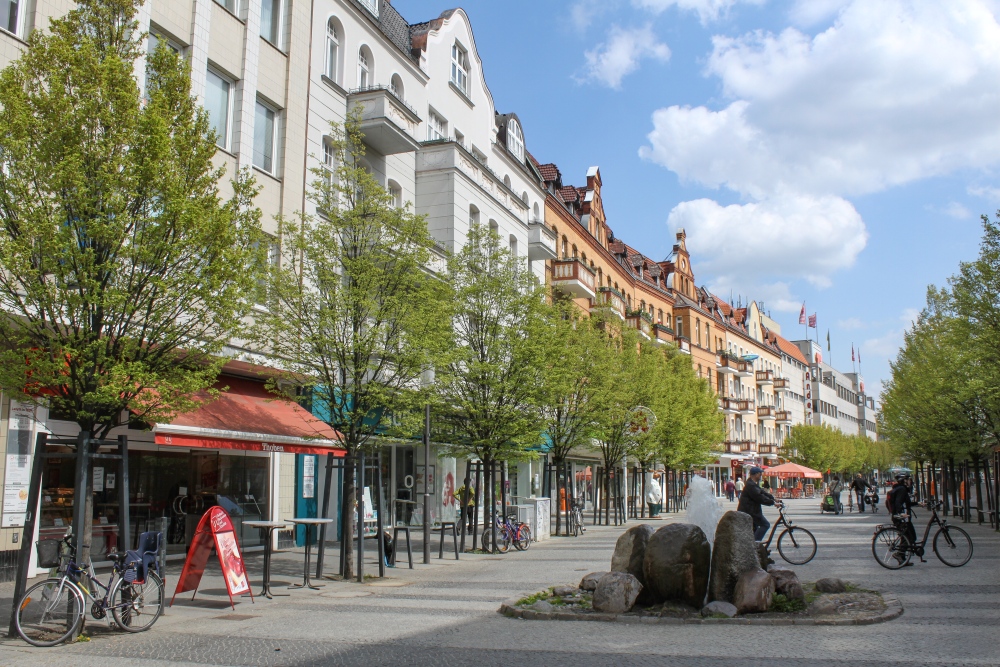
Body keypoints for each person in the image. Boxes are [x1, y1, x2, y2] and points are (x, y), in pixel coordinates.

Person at [737, 466, 782, 541]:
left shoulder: (753, 483)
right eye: (760, 473)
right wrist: (773, 503)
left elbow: (762, 492)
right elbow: (759, 497)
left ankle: (753, 546)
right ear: (756, 474)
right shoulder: (750, 485)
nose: (761, 475)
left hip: (752, 511)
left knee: (754, 529)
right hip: (750, 512)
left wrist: (773, 499)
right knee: (765, 525)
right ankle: (755, 545)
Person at [888, 473, 921, 565]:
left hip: (901, 518)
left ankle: (902, 559)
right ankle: (899, 554)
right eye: (908, 479)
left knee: (906, 537)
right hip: (901, 518)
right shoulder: (902, 489)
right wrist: (901, 514)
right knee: (910, 537)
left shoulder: (900, 489)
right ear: (903, 480)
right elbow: (898, 503)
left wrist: (919, 504)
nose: (910, 481)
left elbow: (907, 503)